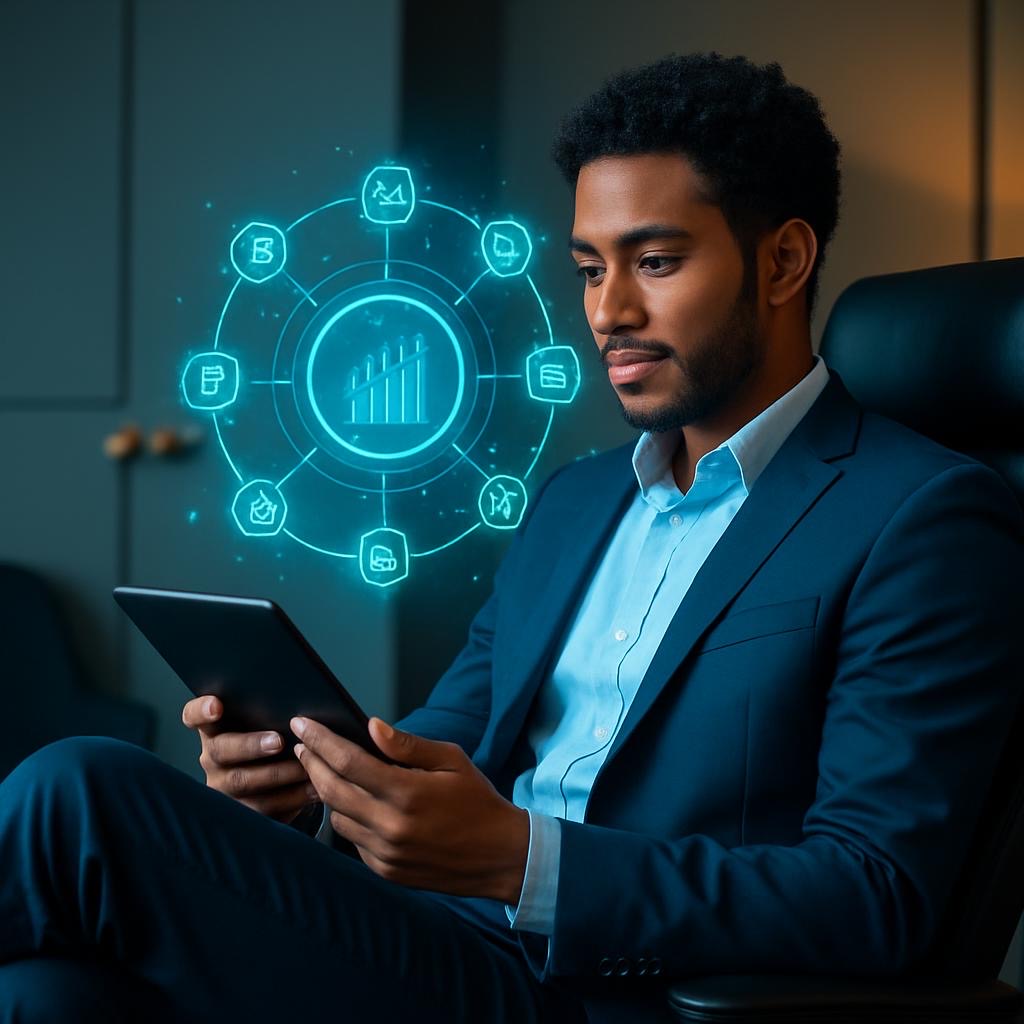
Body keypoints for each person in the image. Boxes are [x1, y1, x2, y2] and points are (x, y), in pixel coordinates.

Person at [2, 51, 1022, 1024]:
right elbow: (433, 750)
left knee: (81, 789)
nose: (608, 311)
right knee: (49, 995)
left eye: (655, 261)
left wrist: (522, 863)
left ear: (783, 259)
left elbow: (876, 894)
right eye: (587, 269)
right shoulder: (574, 501)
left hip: (604, 996)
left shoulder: (923, 517)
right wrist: (314, 788)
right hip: (430, 942)